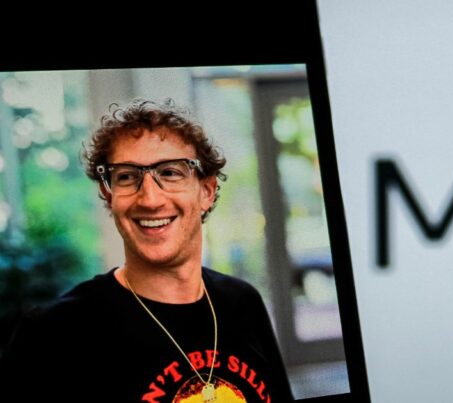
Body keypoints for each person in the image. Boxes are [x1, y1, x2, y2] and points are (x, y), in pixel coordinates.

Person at [0, 99, 294, 402]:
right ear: (109, 193)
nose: (150, 199)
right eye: (127, 176)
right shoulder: (53, 334)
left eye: (170, 173)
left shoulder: (242, 302)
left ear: (206, 191)